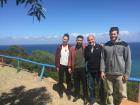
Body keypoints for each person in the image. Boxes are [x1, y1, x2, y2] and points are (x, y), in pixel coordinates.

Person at [100, 27, 132, 105]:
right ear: (109, 34)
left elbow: (128, 60)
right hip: (109, 74)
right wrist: (102, 71)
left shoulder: (125, 45)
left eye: (114, 34)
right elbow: (102, 59)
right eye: (111, 34)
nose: (113, 35)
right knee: (109, 93)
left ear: (118, 34)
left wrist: (127, 73)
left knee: (123, 95)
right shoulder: (106, 45)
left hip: (120, 75)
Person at [84, 34, 105, 105]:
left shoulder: (100, 46)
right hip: (90, 71)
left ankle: (102, 101)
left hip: (98, 71)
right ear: (87, 41)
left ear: (94, 39)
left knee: (100, 87)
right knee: (91, 87)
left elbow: (103, 58)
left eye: (91, 39)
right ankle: (92, 100)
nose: (90, 41)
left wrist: (103, 70)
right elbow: (86, 58)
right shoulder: (86, 48)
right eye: (89, 40)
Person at [68, 35, 88, 105]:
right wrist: (69, 67)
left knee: (84, 84)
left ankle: (85, 98)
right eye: (78, 40)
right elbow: (70, 58)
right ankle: (77, 95)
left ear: (82, 41)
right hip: (75, 69)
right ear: (76, 40)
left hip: (83, 68)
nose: (79, 41)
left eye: (81, 40)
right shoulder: (72, 48)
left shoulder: (85, 47)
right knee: (76, 84)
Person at [55, 33, 73, 99]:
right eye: (64, 39)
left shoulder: (70, 47)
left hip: (68, 66)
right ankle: (60, 92)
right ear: (62, 39)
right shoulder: (59, 47)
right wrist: (57, 66)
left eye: (66, 39)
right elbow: (56, 57)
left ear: (68, 40)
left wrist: (71, 67)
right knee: (60, 80)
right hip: (61, 66)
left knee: (68, 80)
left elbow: (72, 58)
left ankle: (68, 93)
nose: (65, 40)